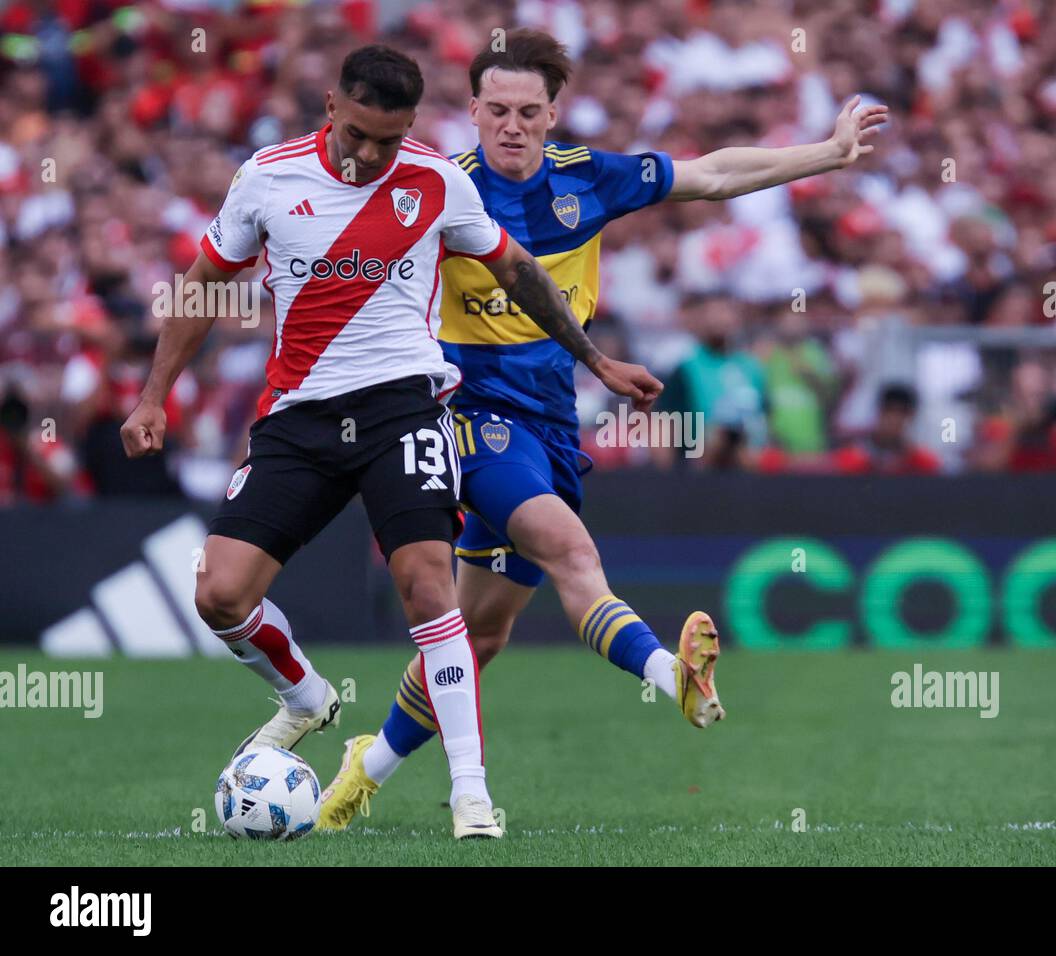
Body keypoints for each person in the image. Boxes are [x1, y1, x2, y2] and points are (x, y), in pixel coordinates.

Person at [318, 29, 889, 830]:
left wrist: (826, 155)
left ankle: (366, 767)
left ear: (553, 115)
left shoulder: (590, 181)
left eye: (527, 111)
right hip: (469, 418)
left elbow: (714, 174)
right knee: (570, 551)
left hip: (553, 420)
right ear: (472, 111)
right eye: (495, 111)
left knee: (481, 636)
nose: (510, 126)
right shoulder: (439, 192)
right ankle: (670, 675)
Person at [119, 44, 658, 840]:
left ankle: (472, 793)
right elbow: (202, 284)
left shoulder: (438, 179)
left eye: (392, 137)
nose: (374, 154)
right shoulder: (268, 177)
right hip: (299, 417)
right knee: (219, 593)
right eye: (362, 135)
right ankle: (305, 695)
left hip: (404, 410)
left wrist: (596, 359)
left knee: (430, 591)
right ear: (332, 107)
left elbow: (519, 272)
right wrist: (154, 395)